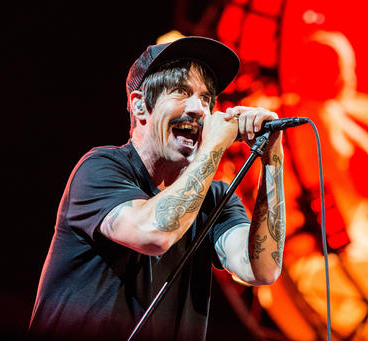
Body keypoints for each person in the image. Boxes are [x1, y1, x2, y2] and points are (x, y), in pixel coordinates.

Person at [28, 36, 286, 341]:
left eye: (206, 99)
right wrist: (215, 146)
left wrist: (272, 157)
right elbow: (153, 233)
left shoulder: (215, 198)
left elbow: (261, 269)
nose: (199, 110)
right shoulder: (100, 169)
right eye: (181, 92)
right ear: (139, 106)